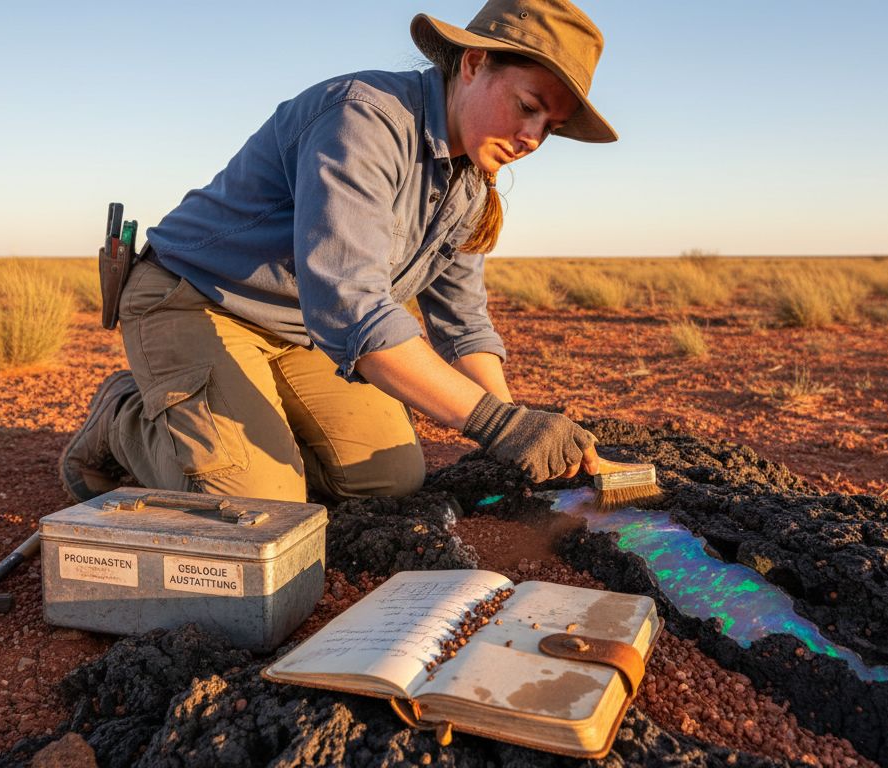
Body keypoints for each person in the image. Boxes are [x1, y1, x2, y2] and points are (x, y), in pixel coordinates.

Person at [60, 0, 615, 505]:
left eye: (551, 126)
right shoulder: (363, 120)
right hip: (196, 300)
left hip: (301, 328)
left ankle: (241, 420)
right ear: (473, 64)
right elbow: (353, 310)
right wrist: (499, 426)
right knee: (261, 505)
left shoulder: (470, 180)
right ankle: (124, 417)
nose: (532, 138)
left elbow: (463, 325)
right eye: (528, 106)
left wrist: (516, 426)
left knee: (389, 481)